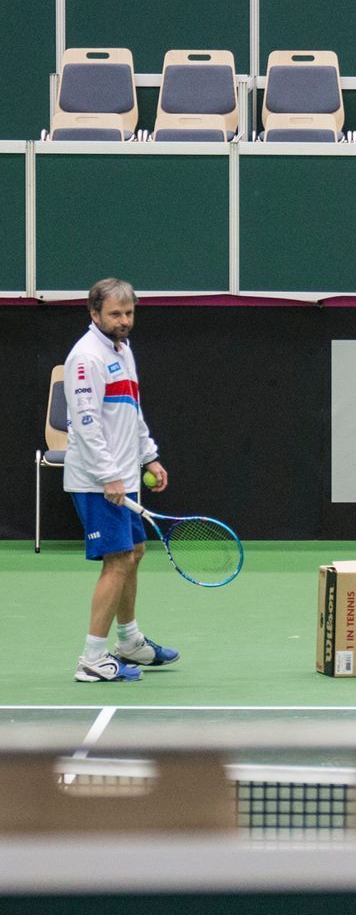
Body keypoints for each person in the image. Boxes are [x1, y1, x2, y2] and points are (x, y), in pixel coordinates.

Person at [63, 278, 179, 681]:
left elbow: (131, 410)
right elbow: (86, 421)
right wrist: (110, 475)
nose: (124, 320)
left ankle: (129, 642)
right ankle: (92, 659)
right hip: (99, 480)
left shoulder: (122, 350)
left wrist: (149, 455)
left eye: (128, 313)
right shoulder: (86, 358)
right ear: (94, 314)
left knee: (134, 553)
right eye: (115, 313)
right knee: (117, 561)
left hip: (125, 473)